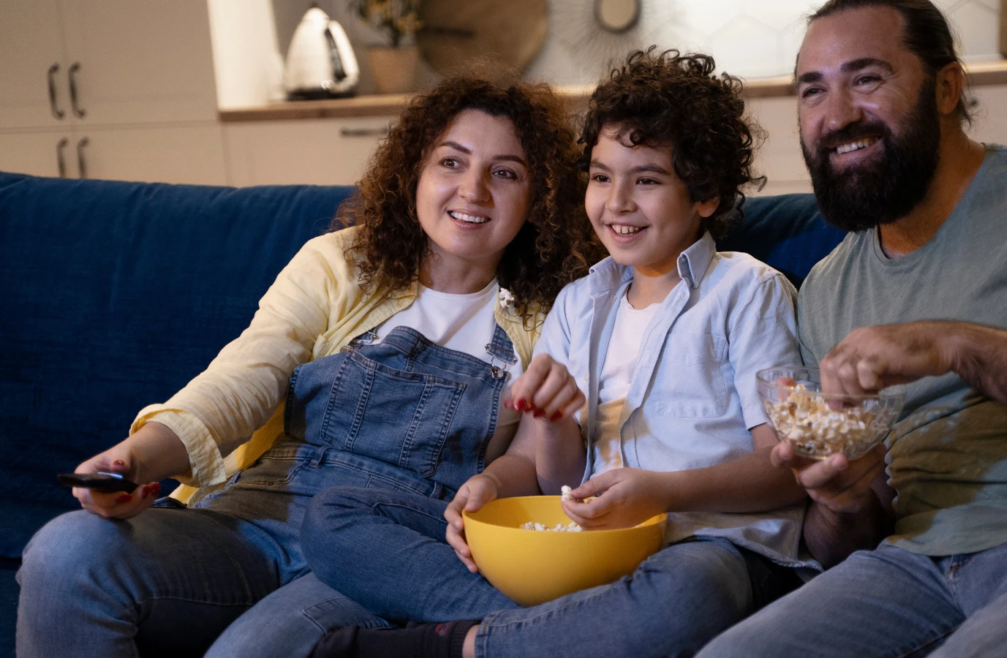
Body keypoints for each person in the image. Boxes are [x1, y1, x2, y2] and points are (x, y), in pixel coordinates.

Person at [16, 72, 601, 658]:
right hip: (252, 519)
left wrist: (502, 476)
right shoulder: (340, 263)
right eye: (451, 162)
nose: (472, 190)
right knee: (66, 551)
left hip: (385, 549)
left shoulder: (557, 308)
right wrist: (135, 459)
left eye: (505, 172)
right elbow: (242, 380)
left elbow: (538, 463)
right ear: (415, 172)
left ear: (540, 195)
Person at [301, 49, 817, 658]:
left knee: (690, 595)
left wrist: (662, 492)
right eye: (601, 177)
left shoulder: (746, 292)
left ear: (705, 195)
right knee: (334, 516)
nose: (616, 202)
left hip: (705, 548)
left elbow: (788, 469)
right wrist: (493, 480)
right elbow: (550, 476)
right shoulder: (579, 303)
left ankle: (454, 646)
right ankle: (570, 630)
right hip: (583, 547)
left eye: (646, 179)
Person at [697, 1, 1007, 657]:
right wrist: (842, 499)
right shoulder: (828, 288)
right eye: (813, 91)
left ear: (947, 87)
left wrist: (958, 344)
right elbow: (850, 538)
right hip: (911, 564)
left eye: (866, 79)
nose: (836, 116)